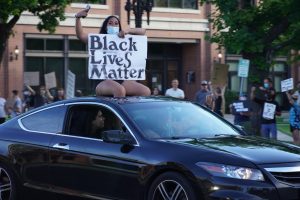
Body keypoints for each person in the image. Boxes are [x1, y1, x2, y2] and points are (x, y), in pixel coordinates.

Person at [75, 7, 150, 97]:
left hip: (121, 79)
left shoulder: (125, 39)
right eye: (110, 23)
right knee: (119, 90)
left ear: (119, 27)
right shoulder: (99, 40)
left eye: (116, 24)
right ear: (105, 27)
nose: (113, 25)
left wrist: (128, 31)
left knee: (145, 91)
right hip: (103, 81)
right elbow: (81, 35)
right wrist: (78, 18)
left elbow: (143, 31)